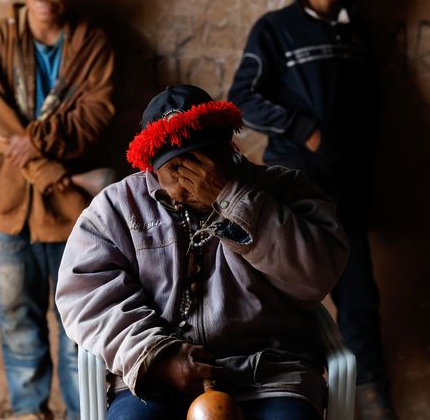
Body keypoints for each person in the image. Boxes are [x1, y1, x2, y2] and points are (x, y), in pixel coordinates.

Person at [56, 84, 349, 420]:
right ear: (150, 167)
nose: (192, 183)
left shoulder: (286, 189)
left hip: (270, 375)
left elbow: (317, 275)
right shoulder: (117, 208)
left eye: (202, 163)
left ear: (229, 149)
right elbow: (85, 294)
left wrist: (233, 199)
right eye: (176, 170)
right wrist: (158, 355)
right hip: (155, 376)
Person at [227, 0, 397, 419]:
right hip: (296, 189)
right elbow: (241, 97)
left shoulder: (355, 29)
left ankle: (376, 406)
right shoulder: (275, 28)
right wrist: (304, 129)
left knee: (361, 306)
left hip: (349, 191)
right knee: (287, 304)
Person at [0, 0, 115, 420]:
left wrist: (36, 141)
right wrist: (46, 167)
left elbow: (96, 114)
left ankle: (82, 413)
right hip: (10, 206)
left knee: (78, 323)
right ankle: (29, 410)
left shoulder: (93, 43)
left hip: (74, 212)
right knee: (16, 317)